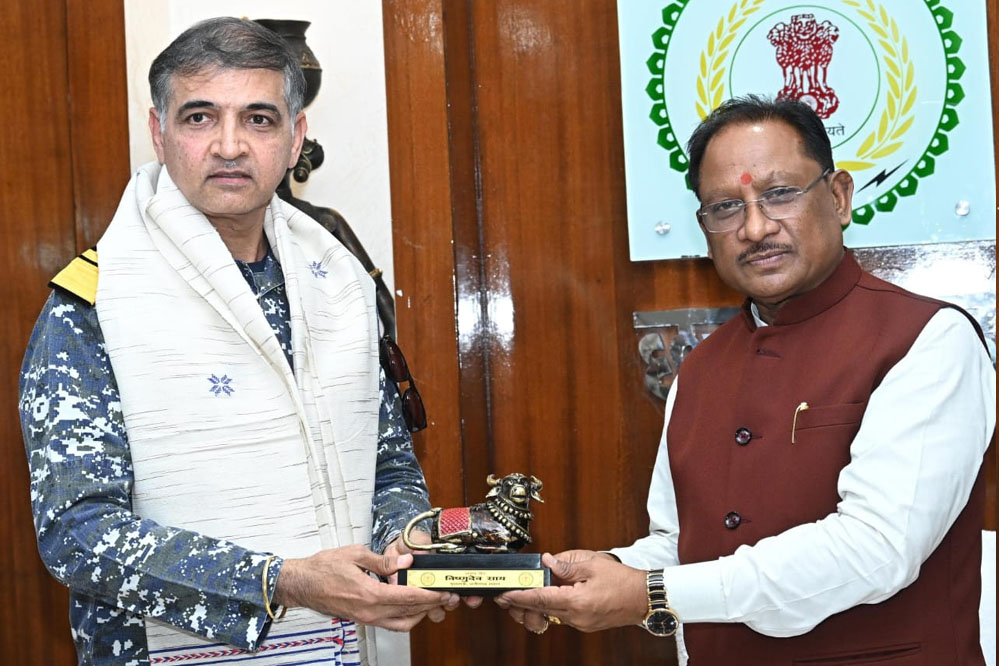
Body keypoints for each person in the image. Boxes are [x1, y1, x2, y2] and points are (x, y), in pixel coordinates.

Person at [18, 17, 457, 666]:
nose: (229, 146)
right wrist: (280, 582)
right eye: (199, 118)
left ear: (294, 135)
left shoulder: (338, 282)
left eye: (258, 119)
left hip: (347, 648)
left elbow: (387, 466)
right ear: (159, 132)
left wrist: (406, 544)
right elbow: (77, 534)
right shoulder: (92, 306)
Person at [496, 95, 996, 665]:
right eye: (726, 207)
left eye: (780, 194)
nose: (756, 228)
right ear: (704, 228)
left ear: (839, 197)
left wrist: (649, 594)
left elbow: (876, 549)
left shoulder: (929, 339)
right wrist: (588, 575)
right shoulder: (700, 368)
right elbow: (681, 546)